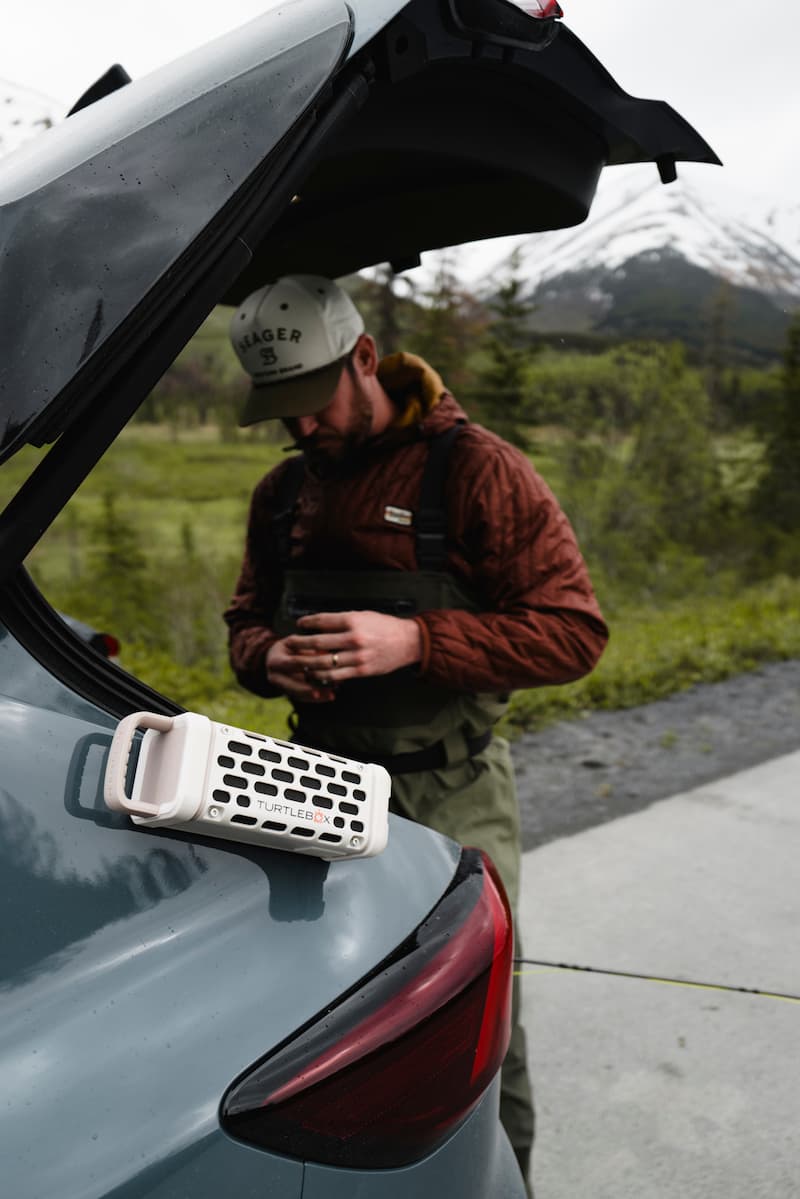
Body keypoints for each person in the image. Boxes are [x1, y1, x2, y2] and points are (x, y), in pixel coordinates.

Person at [224, 273, 609, 1192]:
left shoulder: (477, 469)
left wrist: (417, 639)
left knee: (469, 1025)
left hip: (449, 791)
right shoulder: (284, 492)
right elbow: (243, 618)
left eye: (311, 401)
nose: (300, 427)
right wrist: (263, 657)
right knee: (323, 1024)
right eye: (281, 410)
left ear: (364, 360)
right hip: (314, 784)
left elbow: (574, 632)